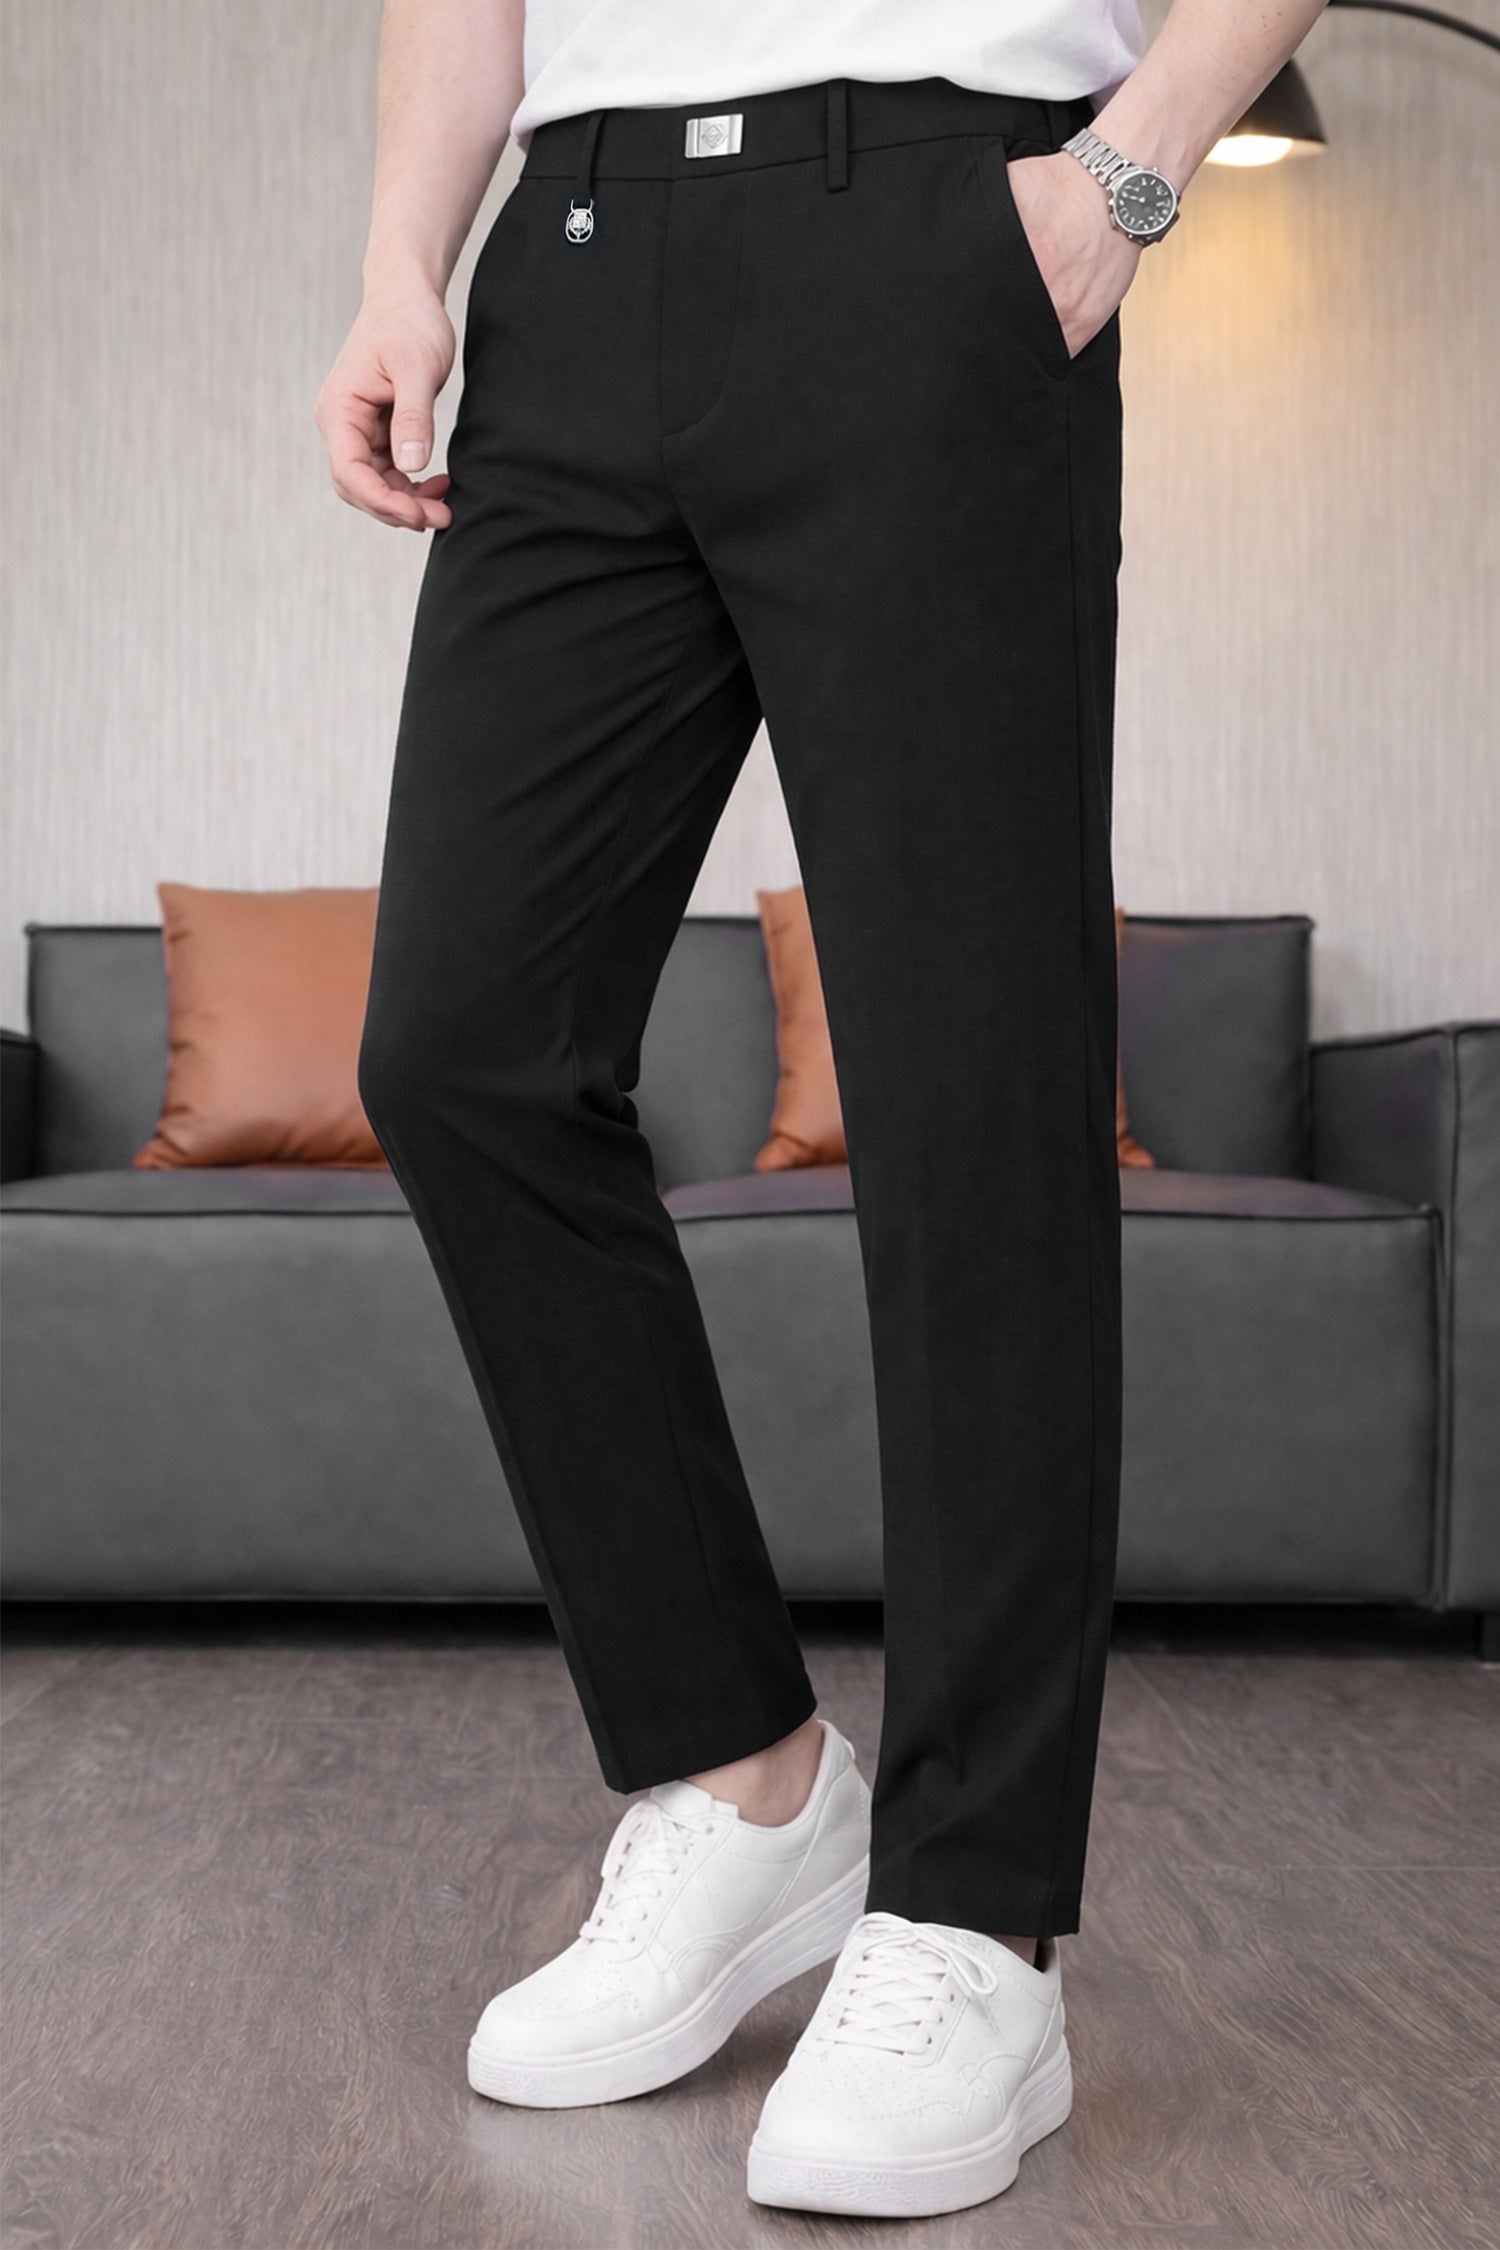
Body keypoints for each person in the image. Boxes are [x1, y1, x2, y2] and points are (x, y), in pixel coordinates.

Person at [316, 0, 1327, 2219]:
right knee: (466, 1046)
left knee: (970, 1088)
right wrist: (406, 256)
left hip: (946, 219)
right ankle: (745, 1776)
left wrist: (1132, 168)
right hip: (573, 257)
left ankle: (977, 1912)